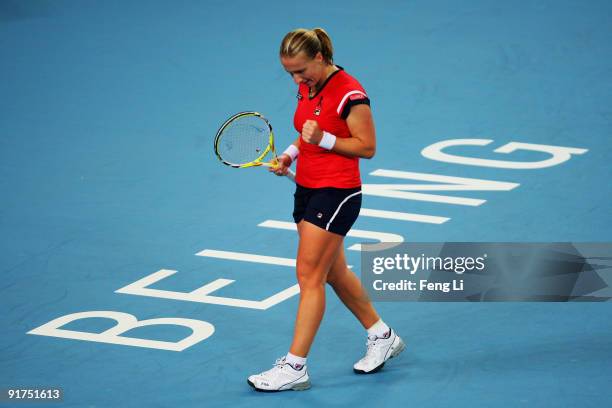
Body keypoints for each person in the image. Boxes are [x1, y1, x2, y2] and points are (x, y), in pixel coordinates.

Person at [247, 28, 404, 392]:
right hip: (306, 188)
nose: (296, 79)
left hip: (337, 194)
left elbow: (367, 147)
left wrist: (325, 140)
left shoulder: (351, 93)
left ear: (320, 58)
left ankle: (295, 367)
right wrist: (290, 154)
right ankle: (382, 335)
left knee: (309, 276)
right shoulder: (309, 85)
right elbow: (306, 130)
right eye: (290, 73)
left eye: (300, 71)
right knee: (333, 272)